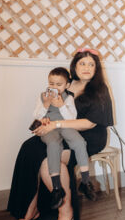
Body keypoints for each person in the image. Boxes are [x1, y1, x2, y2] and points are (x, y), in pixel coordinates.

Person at [4, 48, 114, 220]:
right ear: (74, 66)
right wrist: (44, 123)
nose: (86, 67)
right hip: (61, 131)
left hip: (89, 136)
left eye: (91, 64)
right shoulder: (66, 84)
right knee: (29, 148)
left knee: (48, 159)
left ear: (96, 68)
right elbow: (51, 111)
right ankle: (30, 209)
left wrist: (56, 124)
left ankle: (66, 212)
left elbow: (89, 123)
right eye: (82, 63)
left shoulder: (99, 90)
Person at [33, 66, 96, 209]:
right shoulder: (43, 96)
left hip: (65, 125)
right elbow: (36, 115)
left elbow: (72, 118)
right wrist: (46, 104)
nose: (54, 87)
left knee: (79, 142)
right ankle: (56, 188)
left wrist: (61, 105)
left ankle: (85, 181)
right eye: (51, 84)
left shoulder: (69, 97)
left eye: (59, 84)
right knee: (53, 145)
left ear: (67, 85)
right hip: (49, 127)